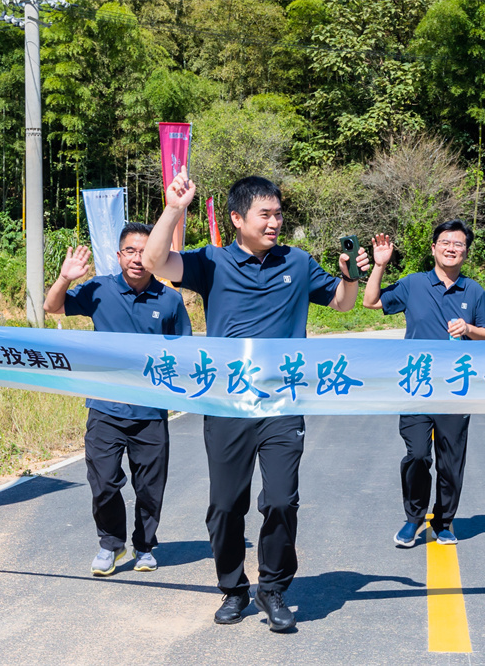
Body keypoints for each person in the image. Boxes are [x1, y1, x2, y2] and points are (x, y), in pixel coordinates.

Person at [142, 168, 369, 631]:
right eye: (265, 214)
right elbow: (155, 261)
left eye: (278, 214)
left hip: (283, 404)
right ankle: (233, 588)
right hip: (228, 404)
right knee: (226, 505)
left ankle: (272, 587)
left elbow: (343, 303)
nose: (274, 223)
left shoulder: (298, 263)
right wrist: (173, 209)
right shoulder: (212, 262)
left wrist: (348, 277)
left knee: (282, 500)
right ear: (237, 218)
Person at [43, 223, 192, 576]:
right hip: (104, 406)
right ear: (119, 255)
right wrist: (64, 278)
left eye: (144, 252)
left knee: (150, 487)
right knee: (104, 481)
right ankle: (111, 544)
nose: (137, 259)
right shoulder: (99, 289)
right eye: (130, 251)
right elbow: (53, 307)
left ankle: (144, 546)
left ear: (155, 255)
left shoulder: (169, 299)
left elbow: (184, 351)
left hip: (150, 410)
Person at [363, 221, 485, 547]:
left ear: (466, 252)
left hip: (456, 389)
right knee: (418, 454)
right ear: (434, 248)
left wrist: (468, 329)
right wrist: (380, 266)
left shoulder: (474, 292)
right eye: (445, 242)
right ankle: (413, 519)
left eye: (459, 244)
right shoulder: (413, 284)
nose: (452, 248)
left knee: (451, 461)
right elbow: (371, 301)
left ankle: (444, 522)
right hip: (417, 386)